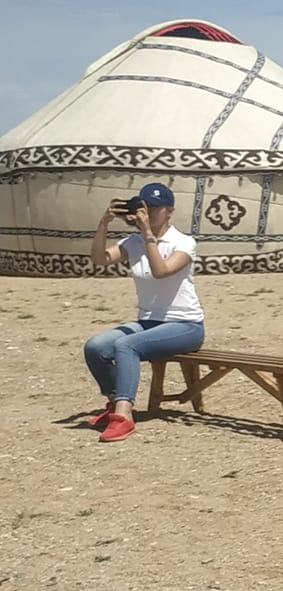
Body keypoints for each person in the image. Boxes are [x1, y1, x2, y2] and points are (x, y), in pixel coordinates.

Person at [82, 182, 204, 442]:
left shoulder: (184, 242)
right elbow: (100, 259)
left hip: (186, 325)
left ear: (170, 211)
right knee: (95, 347)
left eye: (155, 208)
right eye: (143, 207)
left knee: (126, 345)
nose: (147, 213)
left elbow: (161, 271)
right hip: (149, 322)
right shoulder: (133, 242)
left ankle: (124, 415)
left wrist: (148, 232)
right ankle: (114, 401)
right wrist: (104, 223)